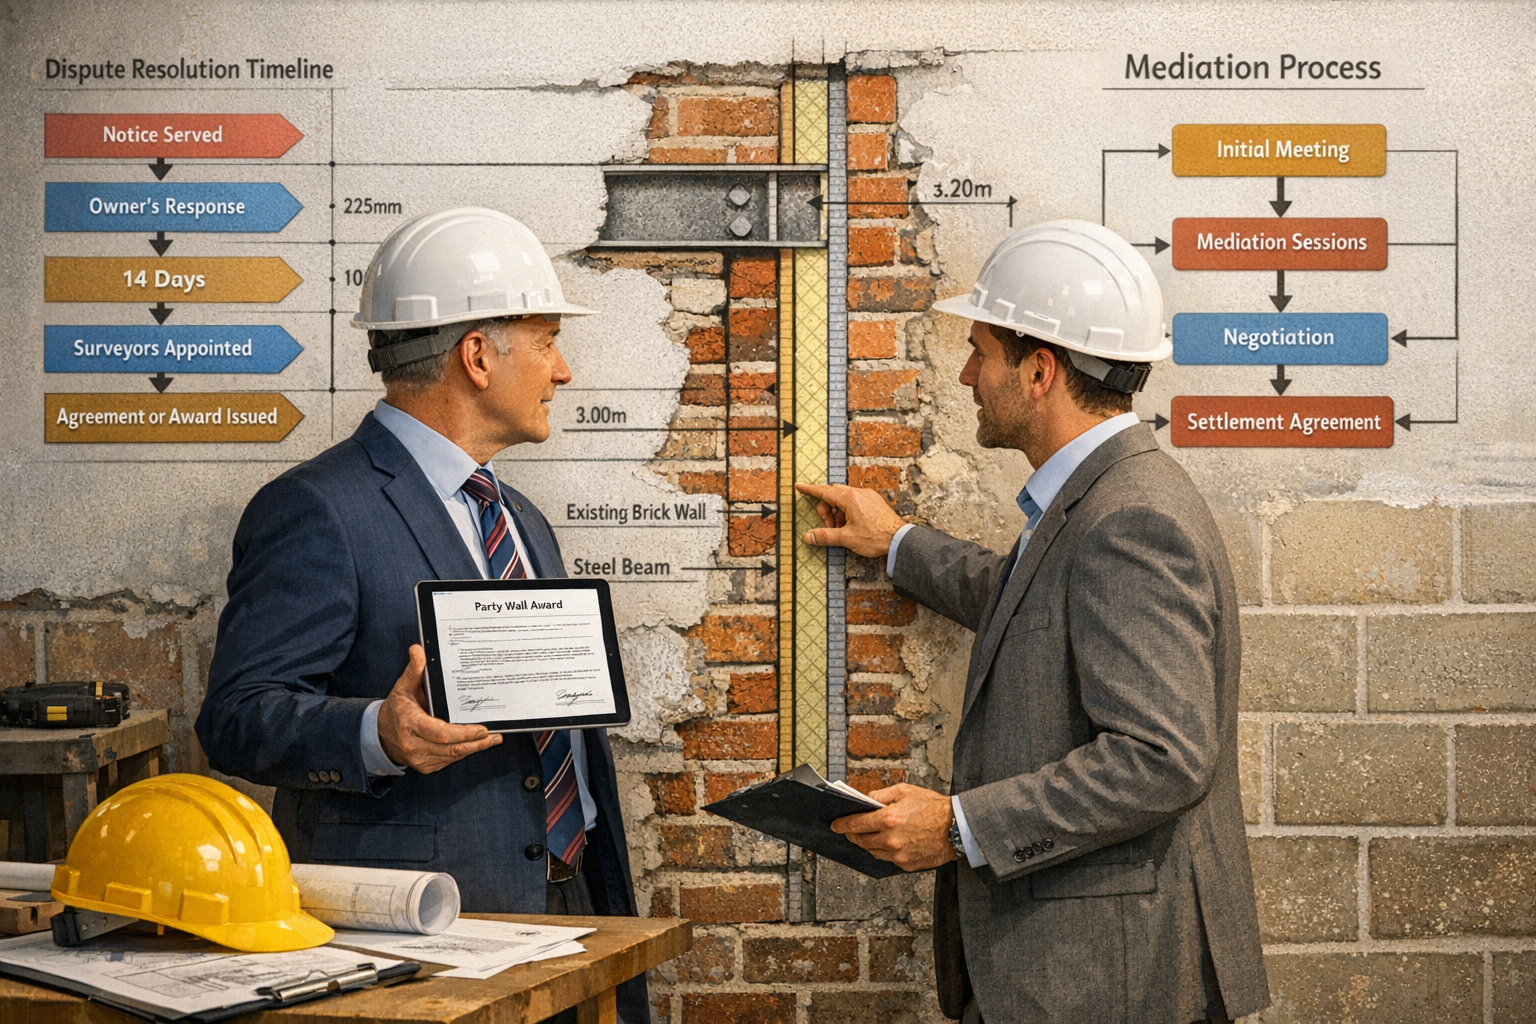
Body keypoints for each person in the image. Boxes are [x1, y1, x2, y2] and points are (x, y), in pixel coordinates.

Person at [797, 221, 1268, 1024]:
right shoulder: (1105, 496)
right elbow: (1031, 603)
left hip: (1108, 978)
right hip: (1089, 967)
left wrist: (957, 826)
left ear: (1040, 370)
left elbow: (1162, 758)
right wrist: (898, 544)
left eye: (981, 351)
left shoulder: (1130, 519)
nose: (966, 373)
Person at [196, 207, 648, 1023]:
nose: (564, 370)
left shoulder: (521, 518)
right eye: (547, 340)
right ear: (478, 355)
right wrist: (378, 732)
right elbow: (234, 718)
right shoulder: (315, 509)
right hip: (426, 931)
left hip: (573, 903)